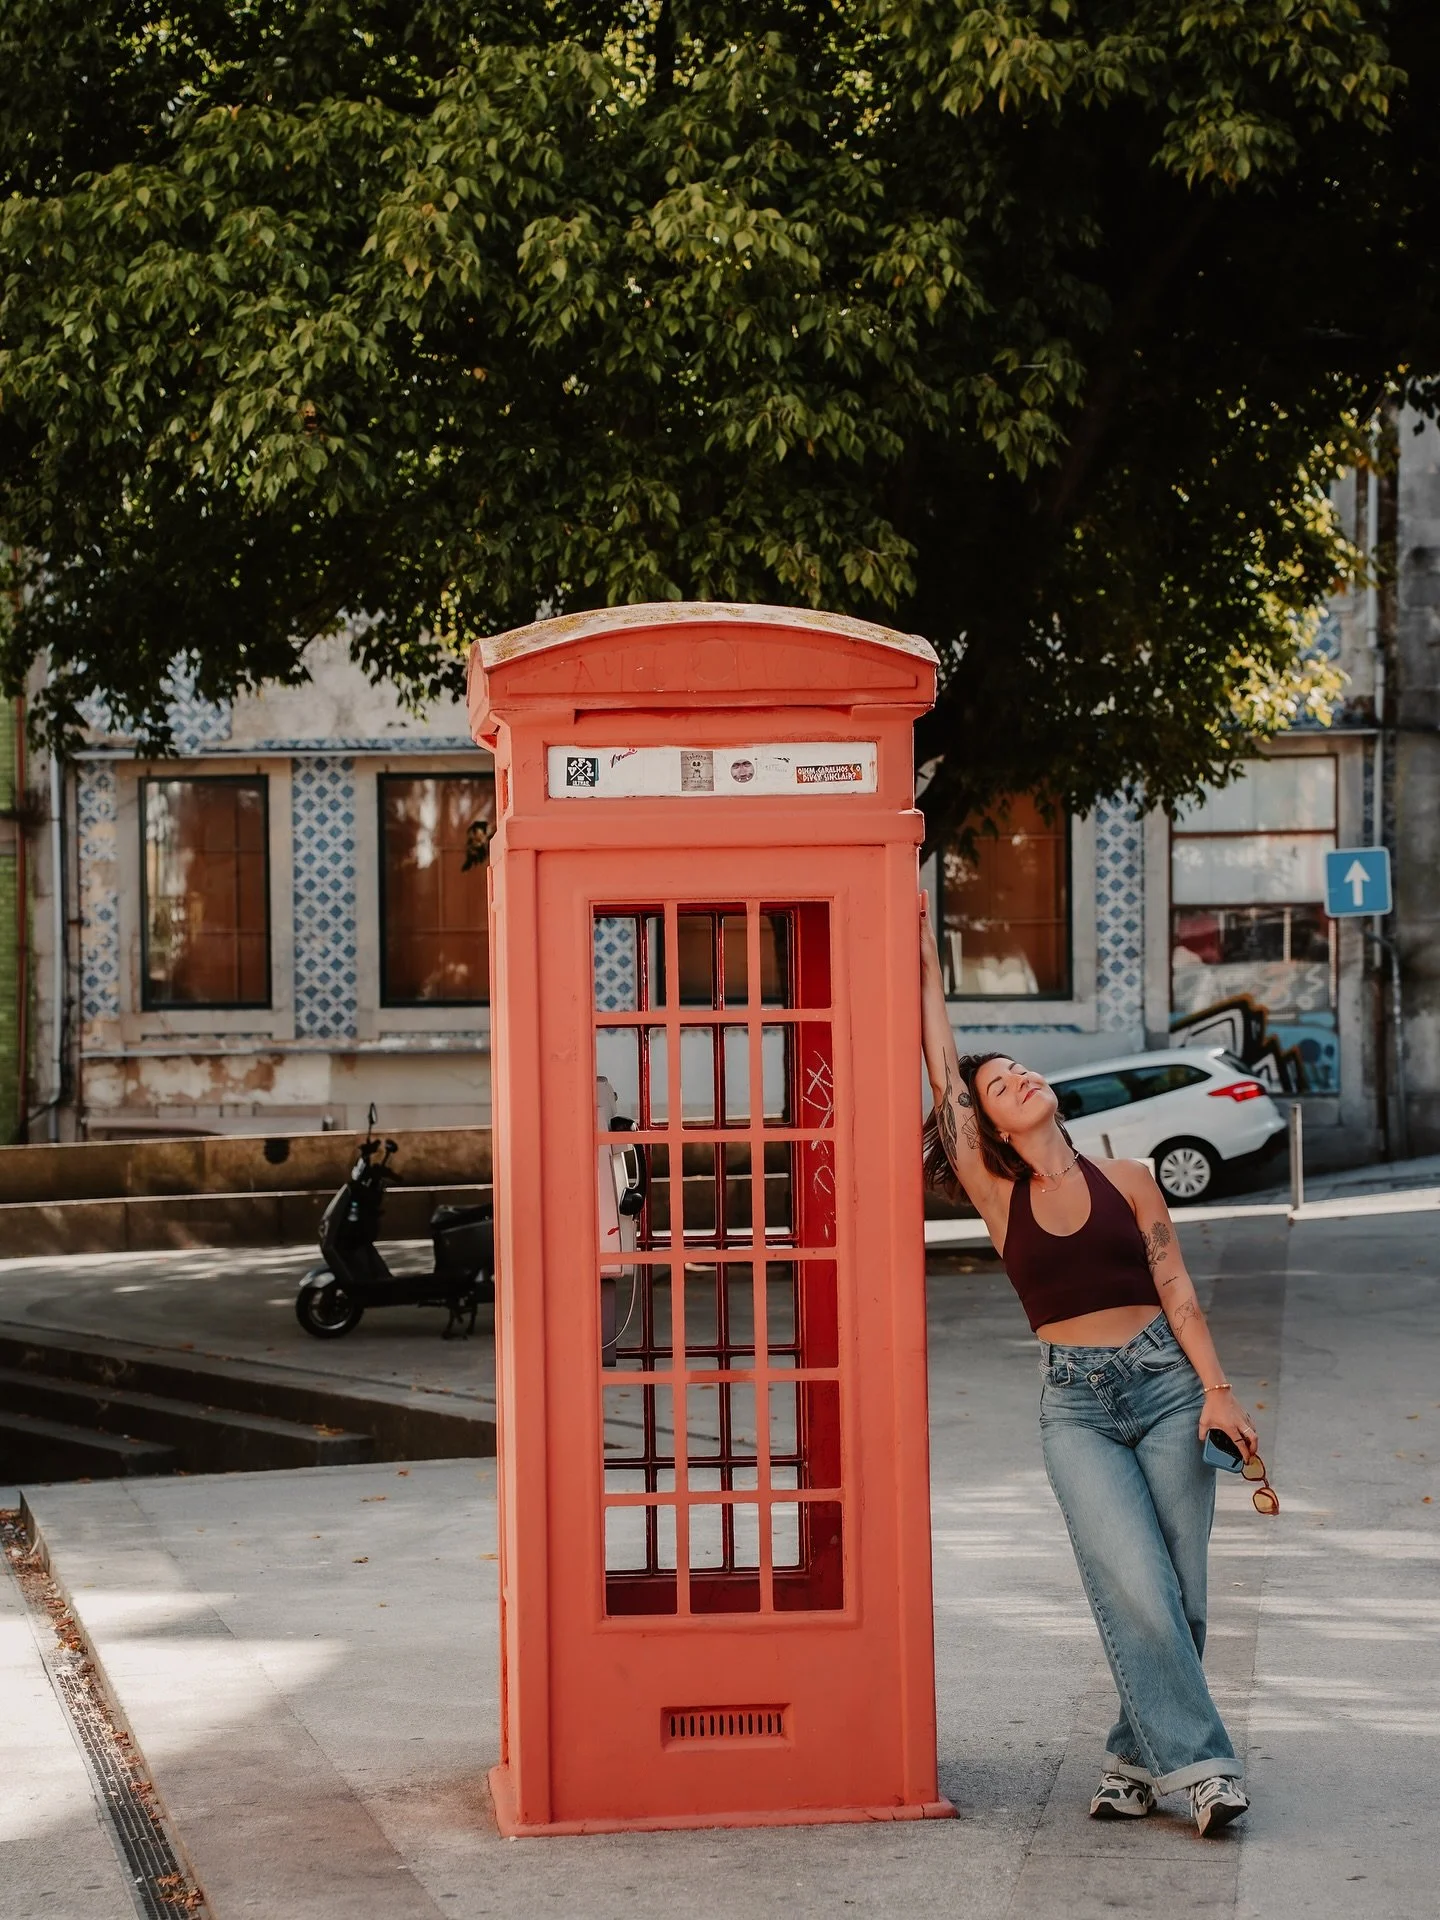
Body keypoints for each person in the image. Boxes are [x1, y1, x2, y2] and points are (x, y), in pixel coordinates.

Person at [919, 896, 1255, 1836]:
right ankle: (1204, 1770)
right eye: (999, 1086)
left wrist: (1219, 1395)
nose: (1016, 1078)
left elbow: (1178, 1289)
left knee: (1179, 1594)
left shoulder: (1133, 1179)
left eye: (1021, 1069)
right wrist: (921, 953)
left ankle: (1129, 1756)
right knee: (1134, 1586)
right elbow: (944, 1076)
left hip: (1167, 1385)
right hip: (1076, 1406)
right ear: (986, 1125)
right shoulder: (995, 1194)